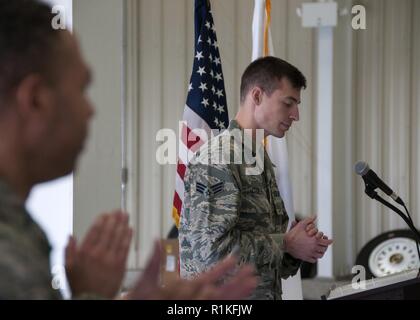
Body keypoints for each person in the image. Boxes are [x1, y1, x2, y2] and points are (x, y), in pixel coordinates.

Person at [0, 0, 257, 300]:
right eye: (82, 90)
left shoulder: (19, 230)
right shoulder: (8, 251)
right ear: (35, 100)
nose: (90, 110)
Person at [179, 56, 333, 300]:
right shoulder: (218, 160)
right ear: (258, 96)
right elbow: (211, 256)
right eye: (288, 103)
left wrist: (298, 247)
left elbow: (270, 266)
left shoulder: (258, 159)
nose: (296, 115)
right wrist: (286, 243)